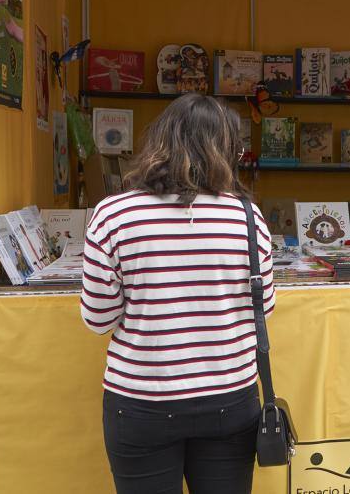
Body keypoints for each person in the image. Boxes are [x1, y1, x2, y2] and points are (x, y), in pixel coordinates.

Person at [80, 93, 275, 494]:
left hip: (140, 400)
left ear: (160, 141)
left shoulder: (114, 214)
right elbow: (263, 308)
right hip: (230, 397)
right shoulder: (246, 216)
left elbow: (97, 319)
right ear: (226, 148)